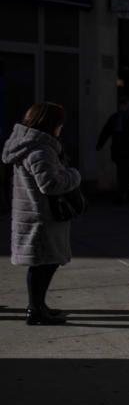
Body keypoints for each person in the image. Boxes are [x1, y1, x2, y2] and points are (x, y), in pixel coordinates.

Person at [2, 102, 81, 326]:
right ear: (51, 124)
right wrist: (74, 175)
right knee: (43, 265)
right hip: (41, 217)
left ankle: (38, 306)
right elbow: (50, 184)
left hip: (32, 213)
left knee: (43, 264)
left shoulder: (25, 144)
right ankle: (35, 310)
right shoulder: (40, 149)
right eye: (60, 124)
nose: (61, 128)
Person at [96, 95, 129, 204]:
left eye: (124, 103)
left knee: (127, 174)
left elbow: (107, 131)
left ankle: (126, 196)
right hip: (122, 149)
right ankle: (126, 196)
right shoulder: (119, 117)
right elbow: (107, 131)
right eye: (122, 104)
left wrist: (100, 144)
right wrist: (100, 144)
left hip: (128, 150)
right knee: (124, 173)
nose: (122, 106)